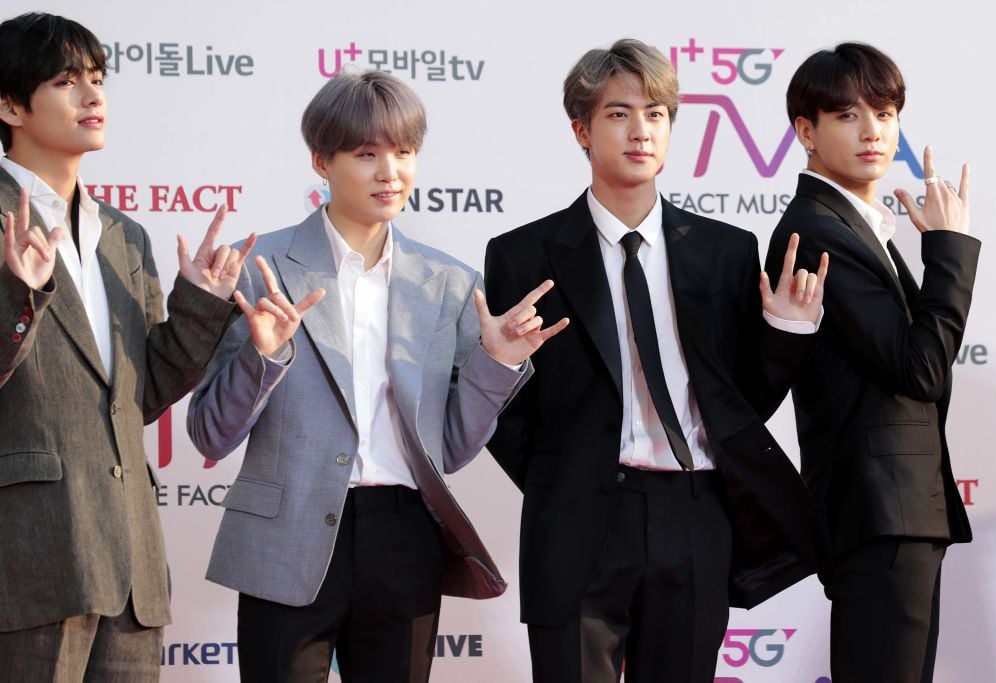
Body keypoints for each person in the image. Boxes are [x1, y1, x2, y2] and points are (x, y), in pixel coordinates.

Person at [187, 70, 566, 682]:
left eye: (404, 152)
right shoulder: (259, 271)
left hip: (405, 535)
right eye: (367, 154)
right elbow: (209, 434)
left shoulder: (450, 284)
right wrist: (264, 356)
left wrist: (494, 365)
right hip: (286, 533)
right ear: (321, 161)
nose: (390, 172)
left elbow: (451, 449)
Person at [484, 38, 831, 683]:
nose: (640, 130)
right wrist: (563, 481)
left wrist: (786, 329)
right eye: (619, 114)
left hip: (695, 512)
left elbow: (742, 402)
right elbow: (505, 405)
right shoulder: (523, 255)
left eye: (656, 114)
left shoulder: (726, 251)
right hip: (577, 519)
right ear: (581, 130)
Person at [0, 11, 254, 682]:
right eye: (65, 81)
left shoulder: (124, 235)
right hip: (29, 554)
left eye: (98, 78)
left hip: (131, 561)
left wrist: (200, 305)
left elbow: (141, 397)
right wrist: (19, 294)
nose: (93, 96)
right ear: (10, 106)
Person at [764, 42, 977, 683]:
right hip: (880, 512)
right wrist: (949, 250)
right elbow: (920, 369)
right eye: (848, 115)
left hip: (894, 512)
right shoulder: (818, 232)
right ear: (807, 131)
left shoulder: (852, 226)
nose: (873, 132)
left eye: (884, 114)